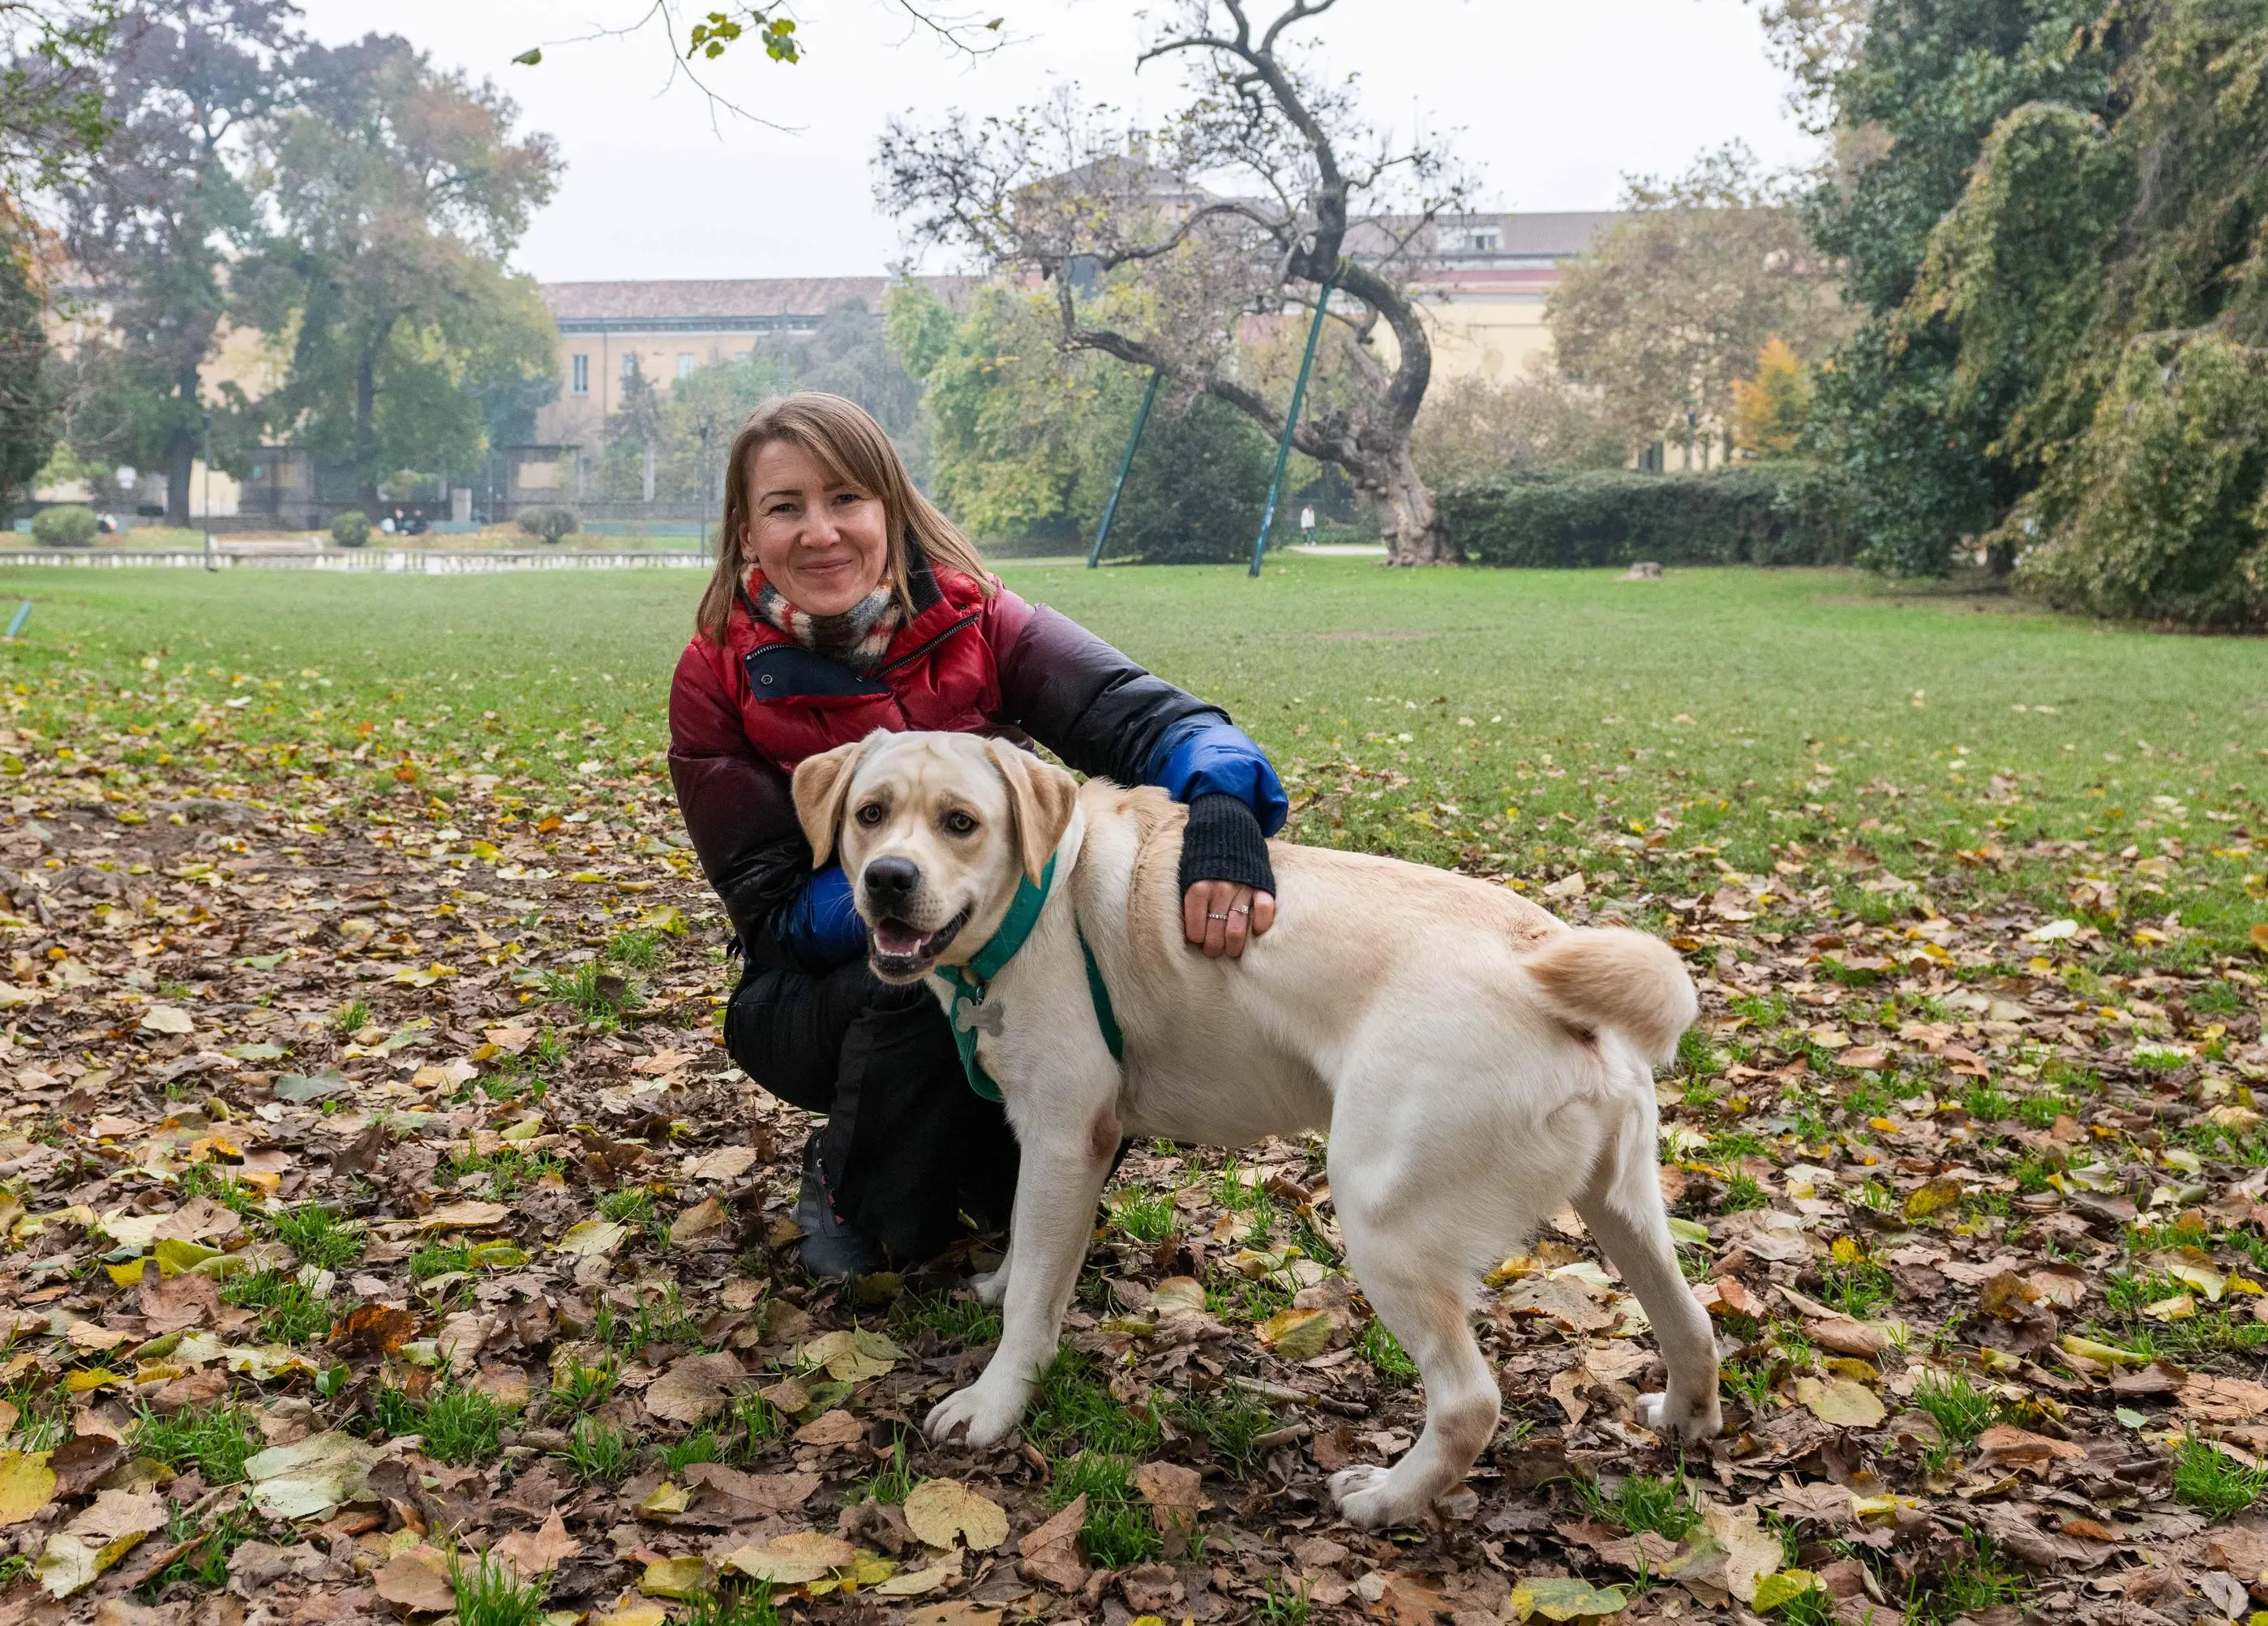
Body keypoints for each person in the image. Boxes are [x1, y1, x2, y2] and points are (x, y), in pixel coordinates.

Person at [669, 393, 1286, 1277]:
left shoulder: (978, 619)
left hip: (988, 951)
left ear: (889, 507)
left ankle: (996, 1162)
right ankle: (853, 1185)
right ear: (744, 533)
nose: (820, 531)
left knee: (1090, 960)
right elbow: (771, 909)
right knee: (918, 982)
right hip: (809, 995)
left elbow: (1145, 718)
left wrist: (1224, 807)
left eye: (845, 497)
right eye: (785, 506)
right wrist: (924, 885)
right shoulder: (715, 675)